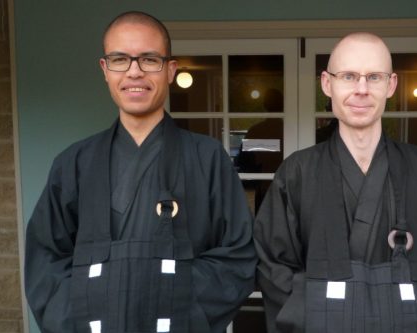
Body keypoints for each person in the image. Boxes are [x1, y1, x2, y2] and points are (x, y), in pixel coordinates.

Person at [25, 11, 256, 333]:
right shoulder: (73, 162)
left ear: (170, 70)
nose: (134, 72)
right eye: (120, 59)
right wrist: (79, 317)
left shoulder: (207, 157)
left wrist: (181, 307)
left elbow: (238, 254)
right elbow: (46, 259)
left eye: (149, 59)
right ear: (105, 70)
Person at [254, 32, 417, 333]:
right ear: (326, 83)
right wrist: (317, 315)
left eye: (374, 77)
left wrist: (416, 316)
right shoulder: (296, 172)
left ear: (391, 85)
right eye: (348, 76)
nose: (361, 89)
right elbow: (272, 265)